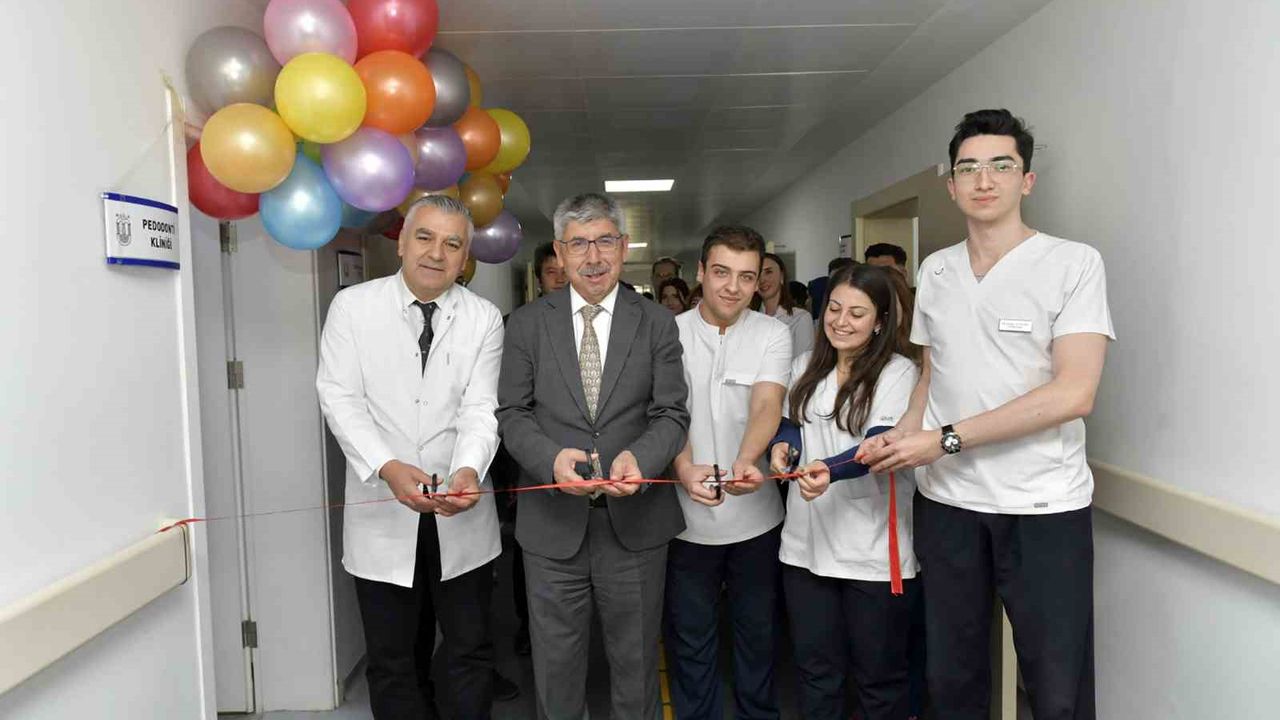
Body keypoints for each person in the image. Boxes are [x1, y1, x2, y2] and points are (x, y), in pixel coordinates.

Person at [859, 109, 1113, 720]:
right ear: (951, 185)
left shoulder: (1073, 263)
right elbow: (932, 374)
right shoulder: (936, 270)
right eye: (968, 168)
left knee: (1057, 691)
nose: (984, 179)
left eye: (1001, 165)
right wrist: (904, 434)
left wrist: (945, 439)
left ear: (1027, 180)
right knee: (951, 682)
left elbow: (1074, 393)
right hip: (949, 505)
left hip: (1043, 507)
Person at [497, 192, 690, 720]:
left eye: (605, 241)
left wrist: (641, 460)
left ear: (624, 246)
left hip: (635, 526)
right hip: (551, 528)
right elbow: (512, 413)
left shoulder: (657, 322)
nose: (594, 256)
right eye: (579, 244)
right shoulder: (526, 324)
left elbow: (671, 414)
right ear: (559, 253)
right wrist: (549, 459)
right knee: (556, 672)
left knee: (636, 667)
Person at [317, 195, 504, 720]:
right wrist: (388, 467)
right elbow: (339, 398)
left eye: (452, 243)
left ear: (465, 258)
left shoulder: (484, 318)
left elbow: (481, 407)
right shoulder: (353, 308)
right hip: (382, 505)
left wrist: (469, 469)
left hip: (460, 510)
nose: (436, 253)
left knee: (470, 651)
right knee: (394, 659)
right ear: (400, 243)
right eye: (424, 237)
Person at [766, 263, 921, 720]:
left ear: (880, 321)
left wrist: (829, 471)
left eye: (857, 313)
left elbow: (878, 445)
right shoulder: (805, 366)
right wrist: (782, 448)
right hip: (805, 549)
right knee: (817, 674)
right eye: (834, 309)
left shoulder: (898, 373)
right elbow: (791, 423)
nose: (841, 321)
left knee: (878, 680)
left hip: (872, 554)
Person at [667, 226, 791, 720]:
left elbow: (767, 403)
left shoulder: (772, 334)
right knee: (690, 636)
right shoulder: (668, 333)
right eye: (721, 273)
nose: (733, 287)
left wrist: (746, 459)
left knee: (757, 632)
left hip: (756, 517)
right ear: (700, 272)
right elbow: (668, 412)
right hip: (683, 521)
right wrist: (684, 467)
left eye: (746, 276)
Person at [491, 240, 567, 659]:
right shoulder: (514, 326)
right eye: (551, 272)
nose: (560, 278)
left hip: (576, 457)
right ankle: (528, 626)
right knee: (529, 547)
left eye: (564, 271)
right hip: (526, 455)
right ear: (538, 279)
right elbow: (505, 403)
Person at [759, 252, 816, 359]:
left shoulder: (800, 318)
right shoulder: (749, 318)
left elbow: (803, 365)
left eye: (768, 272)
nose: (762, 280)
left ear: (782, 276)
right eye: (758, 274)